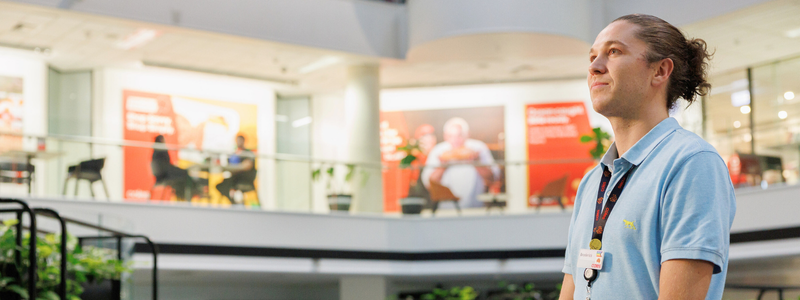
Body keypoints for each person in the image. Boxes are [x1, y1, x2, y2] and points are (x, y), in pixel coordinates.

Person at [559, 15, 736, 300]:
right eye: (592, 56)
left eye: (613, 51)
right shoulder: (593, 181)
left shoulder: (691, 163)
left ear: (660, 71)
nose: (594, 66)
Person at [421, 117, 499, 208]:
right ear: (445, 136)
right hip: (446, 208)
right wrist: (443, 166)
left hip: (475, 206)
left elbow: (494, 178)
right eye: (451, 136)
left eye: (460, 135)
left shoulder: (479, 148)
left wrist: (476, 163)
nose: (456, 140)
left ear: (468, 134)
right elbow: (429, 184)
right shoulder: (438, 151)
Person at [151, 135, 194, 200]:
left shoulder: (156, 150)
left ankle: (183, 195)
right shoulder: (160, 150)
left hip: (164, 174)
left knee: (184, 174)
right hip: (165, 175)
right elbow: (164, 166)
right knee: (185, 174)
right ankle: (186, 196)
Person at [216, 135, 257, 204]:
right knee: (221, 186)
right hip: (234, 178)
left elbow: (248, 165)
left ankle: (235, 203)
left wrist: (237, 167)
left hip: (244, 179)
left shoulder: (248, 153)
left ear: (244, 141)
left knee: (227, 185)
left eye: (240, 140)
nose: (239, 142)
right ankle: (233, 202)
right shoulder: (234, 153)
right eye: (237, 140)